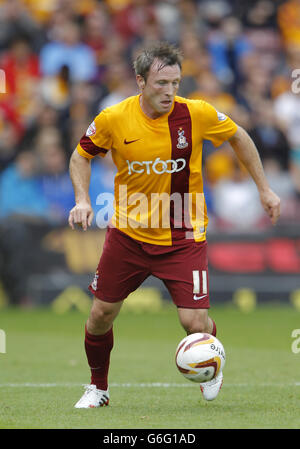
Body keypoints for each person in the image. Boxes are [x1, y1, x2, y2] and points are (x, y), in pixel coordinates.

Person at [68, 42, 280, 408]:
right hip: (128, 235)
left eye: (176, 83)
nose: (169, 92)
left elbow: (238, 137)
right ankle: (97, 389)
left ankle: (211, 360)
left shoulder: (196, 113)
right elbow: (80, 155)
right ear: (140, 81)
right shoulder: (113, 119)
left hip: (183, 235)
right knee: (100, 314)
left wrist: (264, 188)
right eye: (161, 83)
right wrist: (83, 199)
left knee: (195, 321)